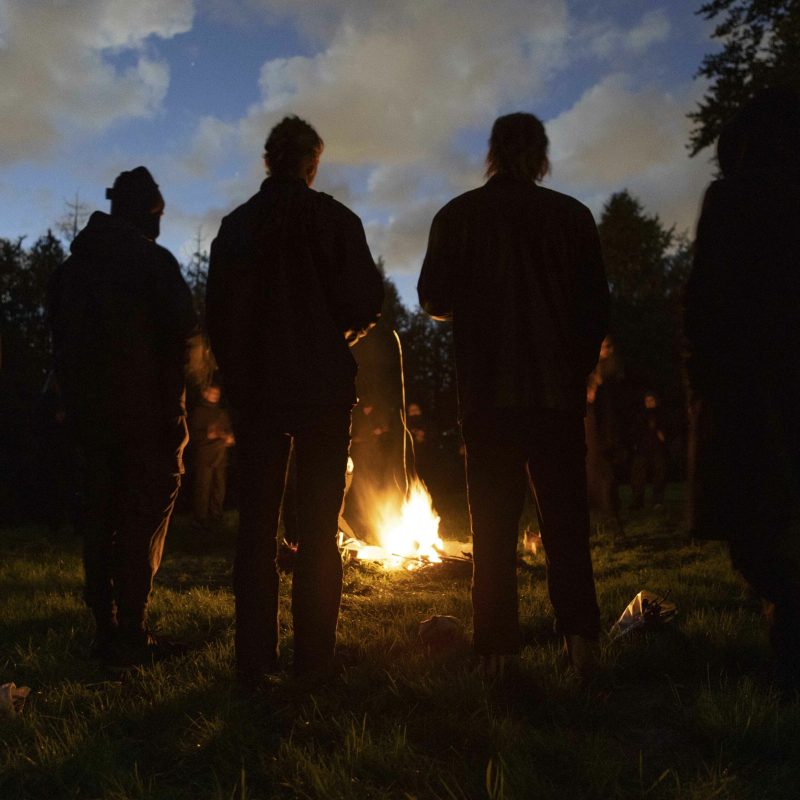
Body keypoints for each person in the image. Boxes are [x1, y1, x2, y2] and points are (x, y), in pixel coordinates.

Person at [418, 112, 610, 678]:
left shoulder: (458, 216)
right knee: (566, 526)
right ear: (542, 155)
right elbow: (595, 309)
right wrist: (577, 368)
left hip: (488, 395)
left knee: (494, 528)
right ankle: (581, 646)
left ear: (492, 154)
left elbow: (432, 297)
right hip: (555, 396)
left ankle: (497, 655)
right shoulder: (571, 217)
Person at [206, 115, 383, 687]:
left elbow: (219, 318)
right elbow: (364, 302)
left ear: (267, 162)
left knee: (256, 527)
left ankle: (255, 663)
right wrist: (338, 333)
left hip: (258, 393)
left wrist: (236, 375)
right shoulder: (335, 219)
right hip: (322, 390)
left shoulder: (236, 228)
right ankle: (313, 664)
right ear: (311, 164)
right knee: (318, 528)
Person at [48, 167, 198, 663]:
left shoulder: (71, 271)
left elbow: (61, 345)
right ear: (141, 211)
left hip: (90, 419)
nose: (159, 224)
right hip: (149, 419)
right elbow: (184, 334)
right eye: (156, 213)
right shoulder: (154, 264)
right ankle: (131, 631)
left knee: (100, 517)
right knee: (140, 518)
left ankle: (104, 628)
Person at [685, 87, 800, 694]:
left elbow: (706, 302)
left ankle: (788, 645)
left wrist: (705, 380)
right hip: (763, 378)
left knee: (761, 522)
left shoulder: (733, 199)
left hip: (756, 384)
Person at [584, 336, 625, 536]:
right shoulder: (592, 370)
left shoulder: (612, 373)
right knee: (594, 472)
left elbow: (612, 406)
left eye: (608, 346)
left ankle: (611, 519)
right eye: (601, 346)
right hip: (591, 425)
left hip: (605, 428)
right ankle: (602, 520)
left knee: (605, 473)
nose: (604, 350)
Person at [189, 383, 234, 531]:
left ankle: (216, 515)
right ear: (205, 393)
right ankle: (200, 519)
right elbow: (194, 435)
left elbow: (229, 432)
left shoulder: (222, 413)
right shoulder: (199, 412)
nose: (215, 396)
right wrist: (208, 435)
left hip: (220, 456)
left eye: (217, 394)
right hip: (205, 455)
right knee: (203, 487)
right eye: (212, 393)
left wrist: (229, 438)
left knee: (219, 488)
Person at [629, 391, 668, 511]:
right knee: (638, 478)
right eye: (647, 401)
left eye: (652, 400)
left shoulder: (661, 414)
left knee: (659, 476)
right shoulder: (640, 415)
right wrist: (635, 443)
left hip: (657, 450)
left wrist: (663, 435)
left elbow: (667, 430)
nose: (649, 403)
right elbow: (635, 430)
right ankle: (638, 502)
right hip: (642, 450)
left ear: (656, 401)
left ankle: (657, 502)